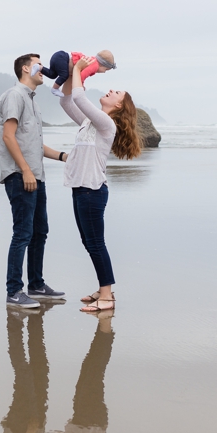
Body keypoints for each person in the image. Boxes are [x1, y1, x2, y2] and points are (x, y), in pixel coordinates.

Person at [56, 55, 143, 312]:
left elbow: (81, 98)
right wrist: (76, 73)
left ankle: (106, 297)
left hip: (92, 191)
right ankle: (104, 287)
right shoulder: (89, 122)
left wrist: (82, 70)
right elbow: (66, 100)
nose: (111, 90)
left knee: (95, 243)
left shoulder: (106, 124)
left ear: (119, 106)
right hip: (80, 188)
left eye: (117, 92)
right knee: (88, 241)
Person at [0, 53, 68, 308]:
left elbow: (35, 145)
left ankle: (36, 286)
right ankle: (14, 292)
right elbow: (9, 136)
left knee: (40, 231)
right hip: (20, 176)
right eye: (38, 63)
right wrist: (26, 170)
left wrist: (63, 156)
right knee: (23, 233)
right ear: (26, 68)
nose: (45, 68)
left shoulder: (32, 102)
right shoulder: (14, 96)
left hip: (36, 176)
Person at [38, 49, 116, 93]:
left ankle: (39, 68)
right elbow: (81, 76)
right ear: (102, 64)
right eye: (106, 70)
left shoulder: (91, 61)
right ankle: (54, 89)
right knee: (64, 75)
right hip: (63, 58)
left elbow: (80, 75)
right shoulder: (94, 65)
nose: (104, 72)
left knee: (52, 75)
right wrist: (80, 86)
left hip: (58, 56)